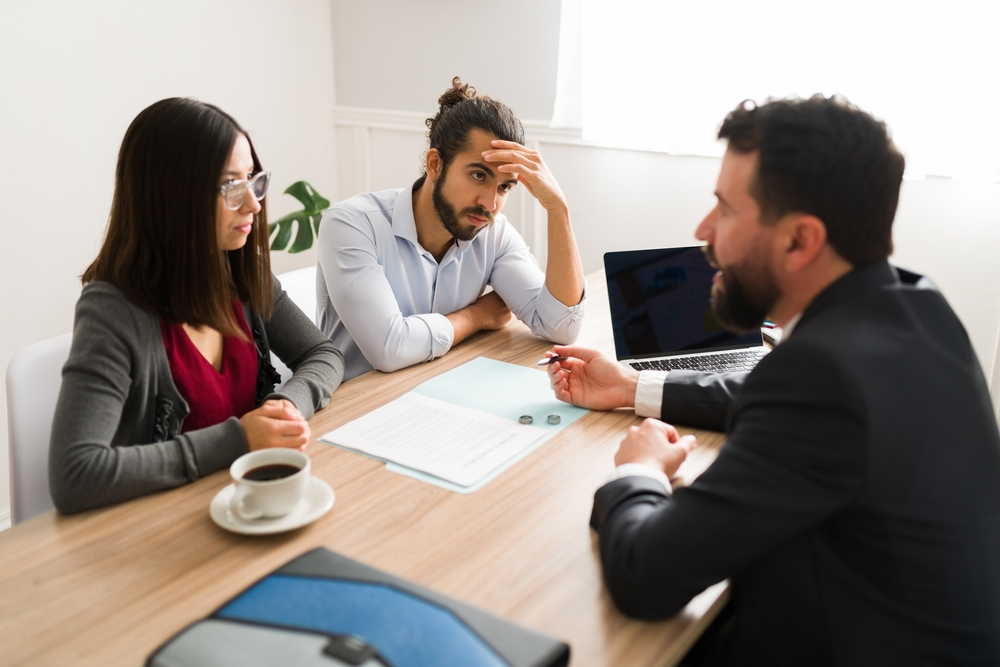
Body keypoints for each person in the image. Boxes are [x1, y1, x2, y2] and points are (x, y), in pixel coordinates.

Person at [546, 96, 1000, 664]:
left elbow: (646, 576)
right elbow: (784, 404)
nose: (703, 229)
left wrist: (637, 470)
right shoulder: (918, 307)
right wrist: (631, 388)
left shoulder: (820, 376)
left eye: (726, 209)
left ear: (800, 240)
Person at [49, 98, 345, 515]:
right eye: (231, 188)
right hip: (163, 527)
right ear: (171, 197)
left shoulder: (242, 275)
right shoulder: (114, 311)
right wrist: (239, 440)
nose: (254, 205)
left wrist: (286, 407)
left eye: (253, 180)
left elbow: (322, 353)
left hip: (246, 502)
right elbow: (76, 475)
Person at [317, 77, 586, 381]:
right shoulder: (352, 224)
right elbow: (389, 348)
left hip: (440, 392)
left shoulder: (493, 233)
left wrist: (558, 210)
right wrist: (477, 315)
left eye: (505, 186)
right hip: (356, 409)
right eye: (478, 175)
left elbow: (562, 327)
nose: (490, 203)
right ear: (435, 165)